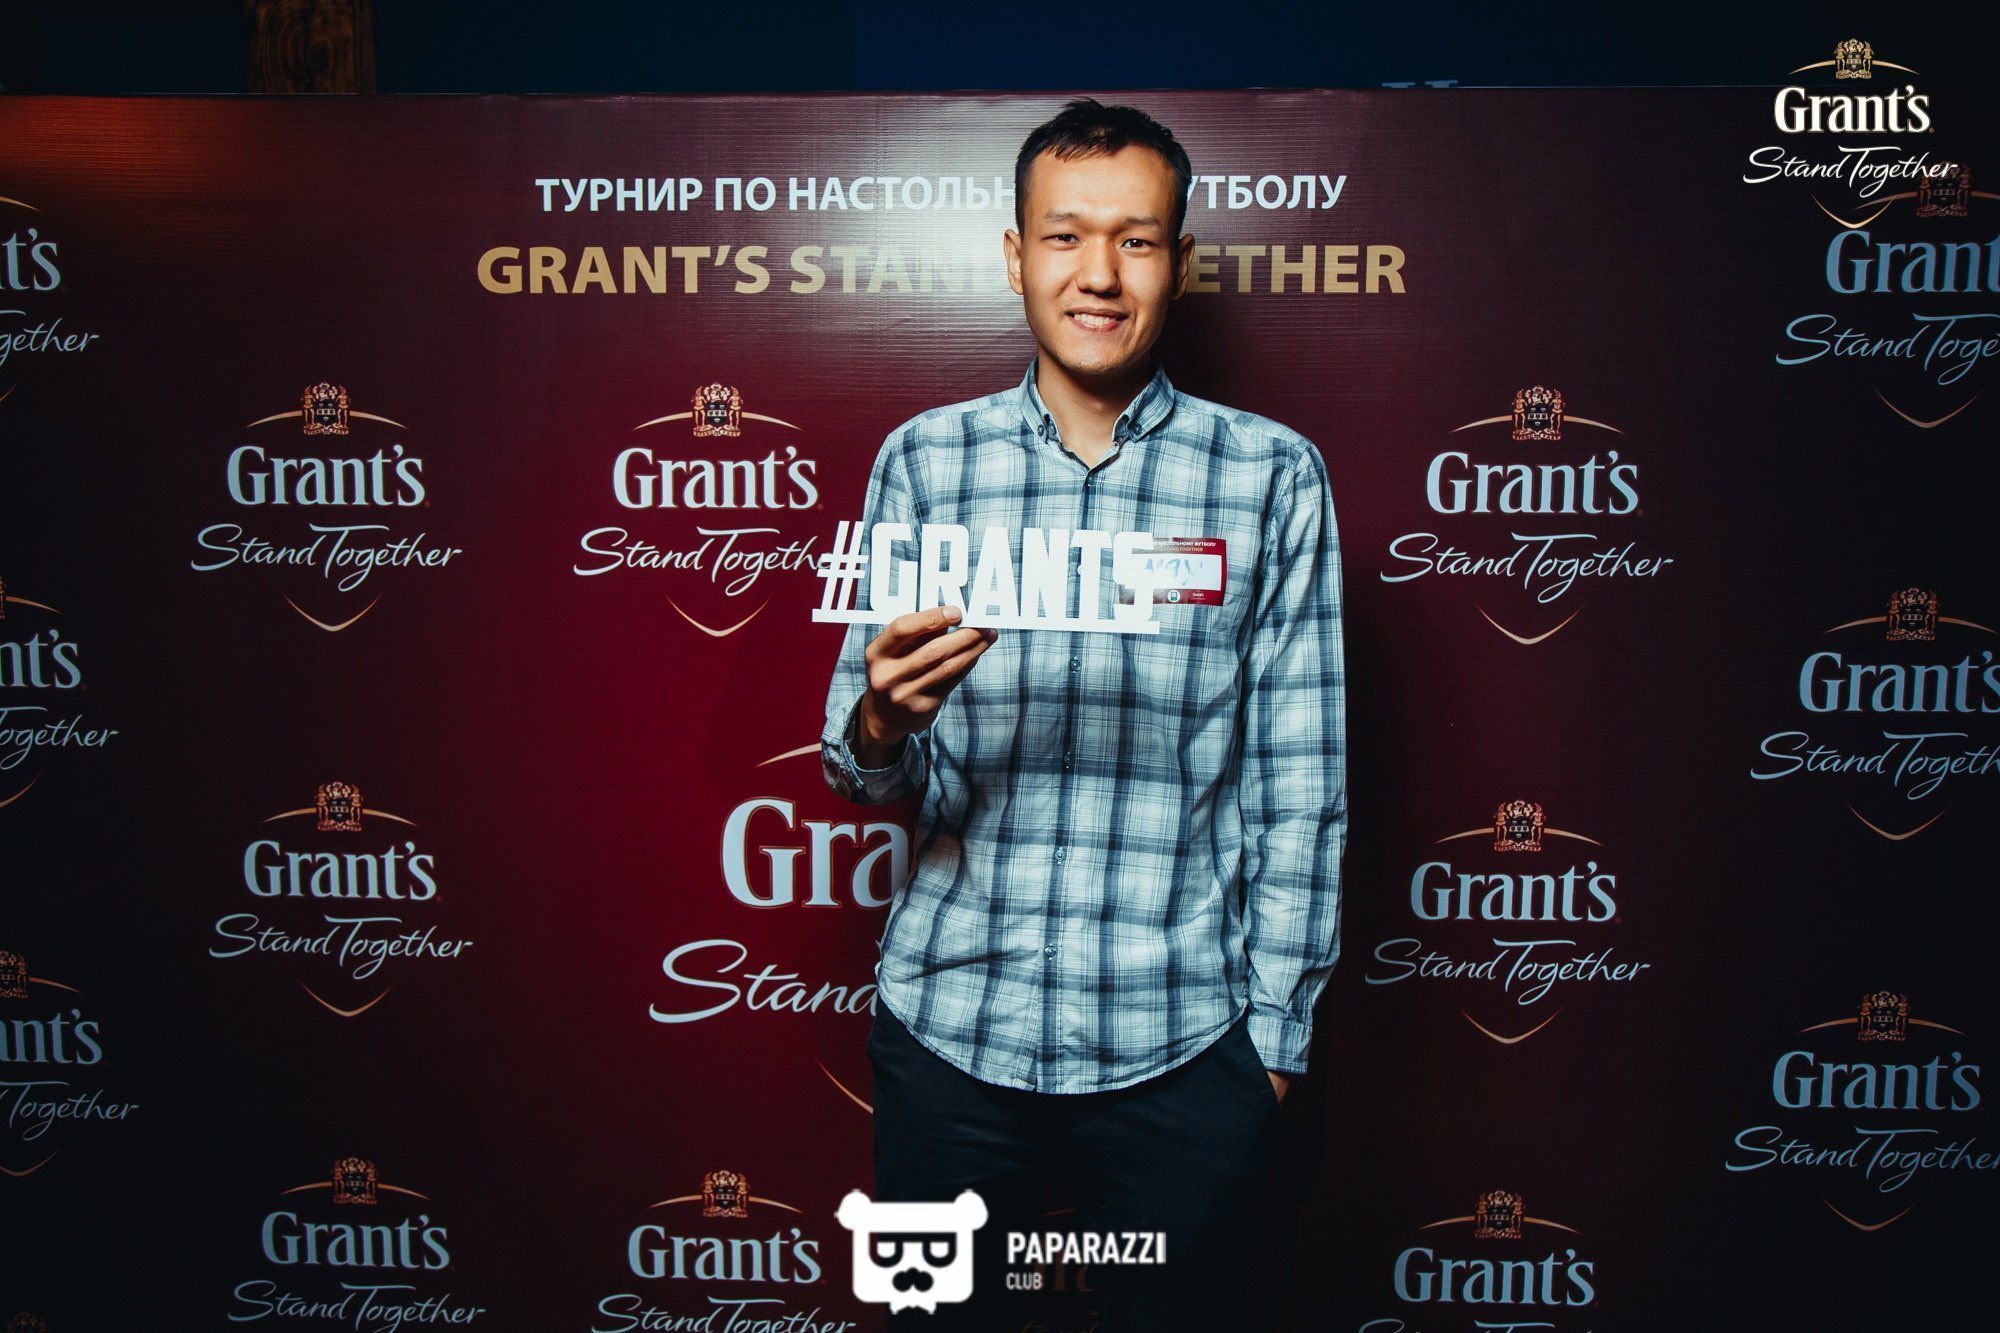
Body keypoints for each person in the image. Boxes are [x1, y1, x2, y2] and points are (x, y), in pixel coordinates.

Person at [820, 98, 1345, 1330]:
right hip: (949, 1036)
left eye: (1135, 239)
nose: (1097, 274)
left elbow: (1299, 786)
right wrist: (882, 724)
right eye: (1063, 236)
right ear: (1015, 256)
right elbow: (860, 770)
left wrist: (1269, 1047)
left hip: (1180, 1051)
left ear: (1177, 261)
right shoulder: (924, 463)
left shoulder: (1270, 477)